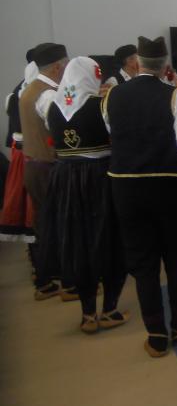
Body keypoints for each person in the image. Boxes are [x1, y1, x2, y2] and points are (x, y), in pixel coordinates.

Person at [103, 36, 177, 358]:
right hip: (169, 187)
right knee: (176, 259)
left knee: (143, 264)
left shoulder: (112, 95)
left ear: (138, 63)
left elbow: (113, 133)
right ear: (164, 65)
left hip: (126, 189)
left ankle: (157, 336)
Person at [45, 57, 128, 333]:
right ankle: (110, 309)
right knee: (110, 241)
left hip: (66, 179)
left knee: (77, 242)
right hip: (100, 177)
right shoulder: (101, 105)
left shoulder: (51, 105)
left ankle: (87, 314)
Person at [20, 42, 68, 300]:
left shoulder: (29, 90)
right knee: (56, 224)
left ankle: (46, 279)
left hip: (34, 164)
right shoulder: (47, 95)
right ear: (57, 67)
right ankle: (59, 280)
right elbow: (61, 129)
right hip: (47, 167)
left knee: (45, 223)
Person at [0, 52, 37, 244]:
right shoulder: (36, 94)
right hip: (32, 153)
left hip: (21, 152)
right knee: (31, 200)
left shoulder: (15, 94)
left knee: (21, 197)